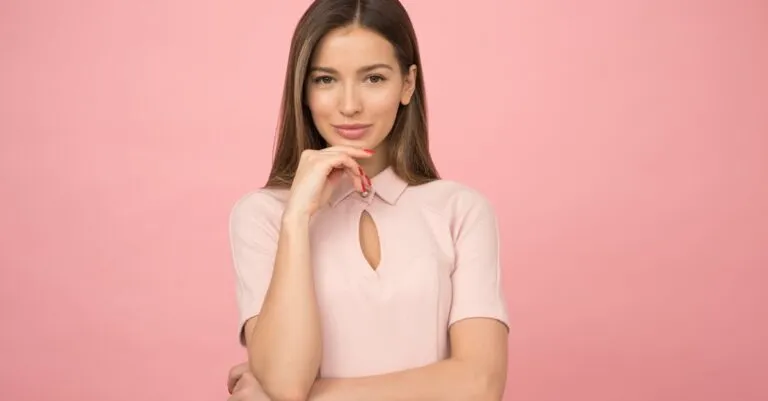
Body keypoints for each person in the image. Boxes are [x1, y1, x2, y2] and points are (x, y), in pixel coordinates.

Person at [225, 0, 509, 400]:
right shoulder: (263, 216)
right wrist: (297, 220)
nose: (349, 105)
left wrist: (304, 394)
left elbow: (480, 385)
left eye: (373, 79)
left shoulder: (460, 211)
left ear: (407, 84)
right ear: (302, 90)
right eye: (325, 80)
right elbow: (286, 383)